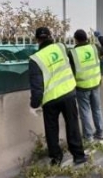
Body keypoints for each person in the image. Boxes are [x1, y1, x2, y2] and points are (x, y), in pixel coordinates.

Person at [29, 27, 88, 166]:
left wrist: (34, 104)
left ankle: (56, 158)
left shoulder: (35, 59)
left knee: (51, 129)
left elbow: (36, 87)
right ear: (51, 36)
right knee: (72, 124)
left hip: (50, 99)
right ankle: (78, 156)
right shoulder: (61, 47)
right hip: (68, 93)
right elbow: (71, 66)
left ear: (37, 40)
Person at [69, 29, 103, 142]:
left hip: (82, 86)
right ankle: (101, 132)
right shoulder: (94, 48)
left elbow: (70, 71)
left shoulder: (73, 53)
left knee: (85, 111)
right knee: (97, 109)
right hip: (95, 83)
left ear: (75, 39)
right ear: (86, 38)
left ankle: (89, 136)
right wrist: (101, 37)